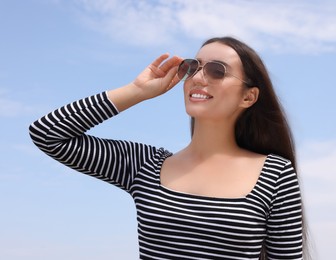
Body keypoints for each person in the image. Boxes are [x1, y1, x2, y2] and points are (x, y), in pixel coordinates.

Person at [30, 36, 307, 259]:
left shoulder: (275, 175)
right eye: (192, 67)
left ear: (248, 96)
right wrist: (138, 90)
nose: (198, 77)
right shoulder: (146, 166)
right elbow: (48, 134)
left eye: (216, 70)